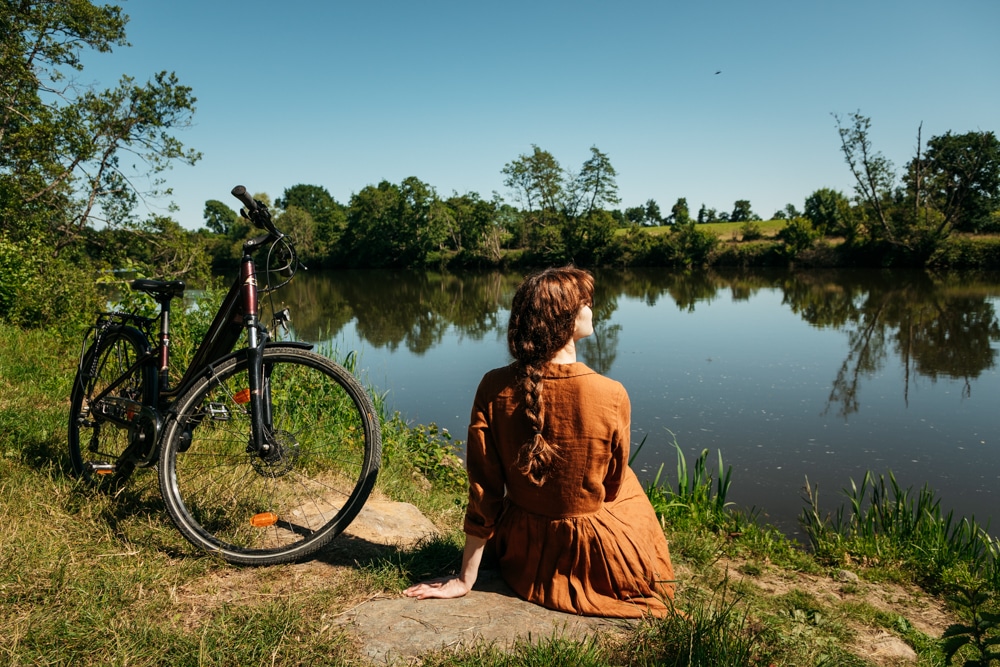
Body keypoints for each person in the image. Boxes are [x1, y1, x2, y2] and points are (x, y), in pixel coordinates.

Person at [404, 267, 676, 617]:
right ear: (566, 319)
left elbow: (484, 488)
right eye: (586, 304)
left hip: (522, 552)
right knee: (630, 485)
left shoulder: (492, 386)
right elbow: (611, 487)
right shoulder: (611, 394)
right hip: (591, 557)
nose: (592, 310)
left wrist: (465, 577)